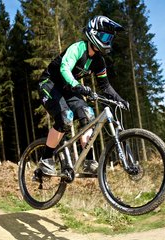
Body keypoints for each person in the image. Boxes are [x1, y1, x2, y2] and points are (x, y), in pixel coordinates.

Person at [36, 16, 129, 176]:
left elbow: (105, 86)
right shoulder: (78, 48)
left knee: (88, 115)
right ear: (94, 33)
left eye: (110, 38)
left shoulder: (99, 61)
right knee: (65, 117)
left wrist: (120, 100)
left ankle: (88, 162)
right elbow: (65, 68)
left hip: (68, 88)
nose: (108, 41)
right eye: (105, 36)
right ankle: (46, 159)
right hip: (49, 84)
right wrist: (77, 85)